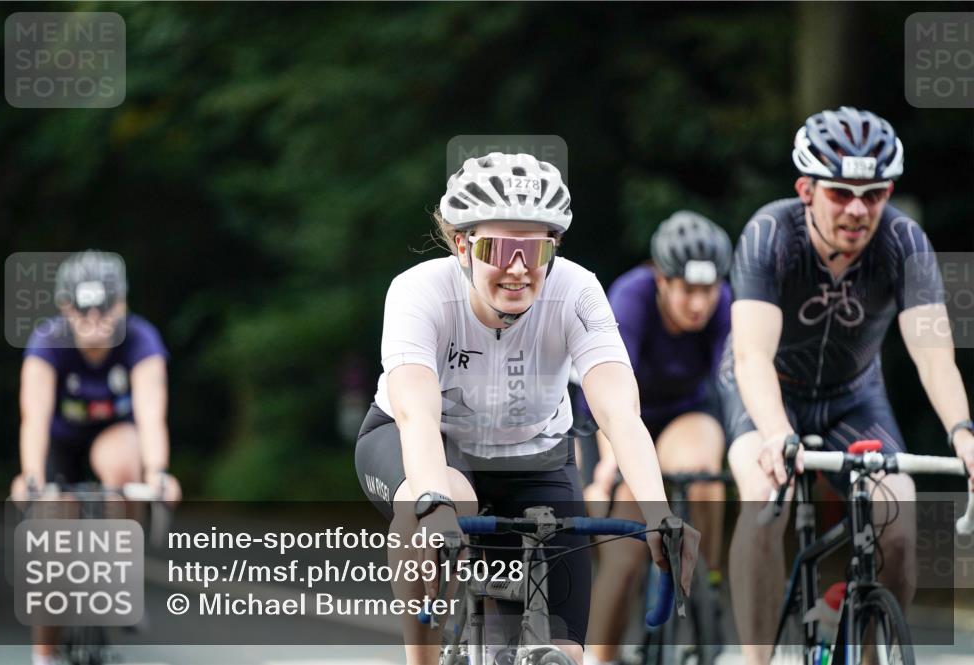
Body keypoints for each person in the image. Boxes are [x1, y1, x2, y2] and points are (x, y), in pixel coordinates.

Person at [354, 152, 700, 665]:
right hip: (428, 450)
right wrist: (432, 506)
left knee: (563, 656)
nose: (518, 269)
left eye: (535, 250)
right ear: (462, 244)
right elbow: (416, 414)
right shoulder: (418, 292)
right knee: (450, 500)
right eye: (498, 247)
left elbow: (620, 413)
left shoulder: (578, 291)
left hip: (536, 459)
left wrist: (658, 512)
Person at [721, 106, 974, 664]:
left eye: (875, 193)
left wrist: (964, 434)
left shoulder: (904, 241)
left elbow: (934, 359)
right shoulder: (770, 233)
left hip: (853, 396)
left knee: (899, 516)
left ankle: (864, 651)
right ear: (806, 189)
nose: (859, 210)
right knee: (765, 496)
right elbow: (751, 354)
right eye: (840, 193)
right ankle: (756, 659)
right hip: (768, 388)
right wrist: (776, 434)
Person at [10, 250, 181, 665]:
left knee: (125, 459)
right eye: (83, 312)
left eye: (106, 311)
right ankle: (44, 653)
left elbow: (151, 413)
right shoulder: (48, 341)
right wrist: (30, 477)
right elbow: (33, 417)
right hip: (59, 443)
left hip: (114, 435)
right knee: (53, 529)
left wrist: (158, 472)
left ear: (122, 305)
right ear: (66, 308)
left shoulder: (142, 339)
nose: (95, 324)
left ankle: (120, 571)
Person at [581, 211, 732, 665]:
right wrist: (610, 466)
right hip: (615, 420)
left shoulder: (724, 302)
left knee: (702, 473)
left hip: (683, 415)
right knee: (624, 553)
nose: (699, 304)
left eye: (708, 291)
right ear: (661, 280)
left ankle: (710, 576)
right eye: (687, 290)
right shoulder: (631, 296)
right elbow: (610, 398)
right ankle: (599, 656)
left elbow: (735, 379)